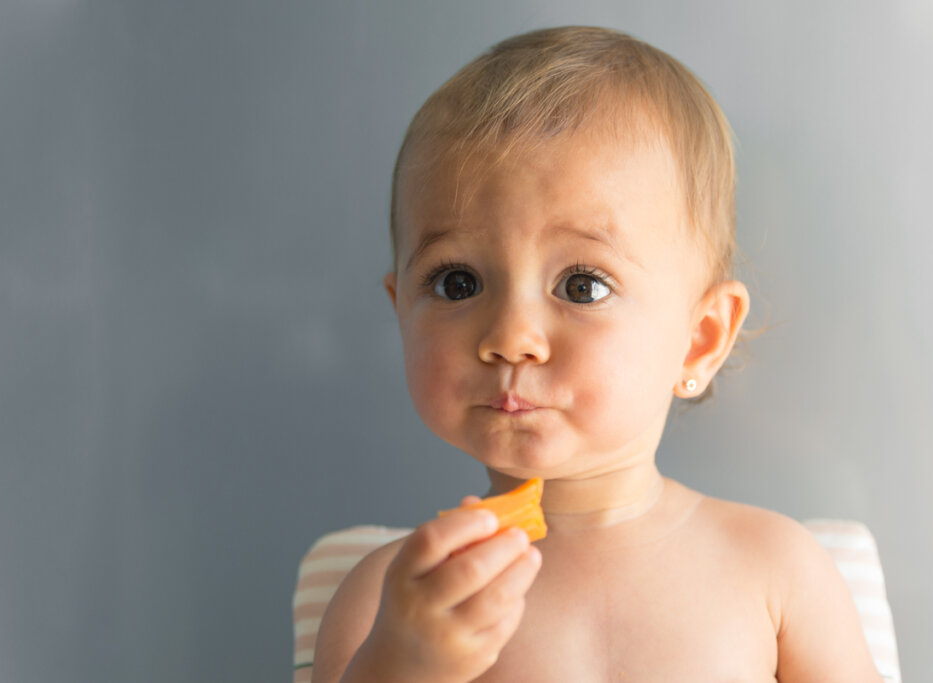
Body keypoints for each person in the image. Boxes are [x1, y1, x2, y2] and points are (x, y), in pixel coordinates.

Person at [312, 26, 881, 682]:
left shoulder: (777, 570)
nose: (511, 335)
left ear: (699, 340)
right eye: (457, 282)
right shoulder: (388, 602)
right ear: (401, 308)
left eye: (582, 285)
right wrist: (397, 666)